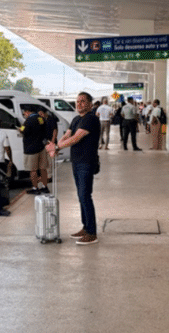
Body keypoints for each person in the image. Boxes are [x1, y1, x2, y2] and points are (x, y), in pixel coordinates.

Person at [46, 92, 100, 246]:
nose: (79, 104)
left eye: (83, 101)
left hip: (86, 162)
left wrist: (55, 146)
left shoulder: (91, 119)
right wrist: (56, 147)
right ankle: (85, 227)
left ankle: (92, 233)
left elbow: (77, 137)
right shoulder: (76, 119)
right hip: (76, 162)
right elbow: (67, 135)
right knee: (81, 195)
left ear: (90, 104)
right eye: (77, 101)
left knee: (85, 195)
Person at [21, 105, 50, 194]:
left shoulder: (28, 121)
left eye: (24, 113)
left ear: (27, 112)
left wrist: (19, 129)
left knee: (33, 170)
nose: (24, 114)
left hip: (31, 149)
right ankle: (45, 187)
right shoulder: (40, 118)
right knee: (43, 169)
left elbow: (23, 131)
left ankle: (35, 188)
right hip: (41, 147)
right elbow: (44, 128)